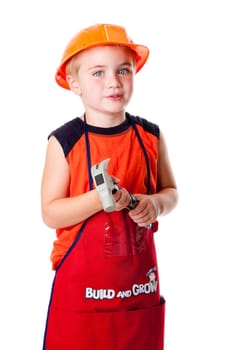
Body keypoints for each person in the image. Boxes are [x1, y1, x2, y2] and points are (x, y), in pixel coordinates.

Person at [41, 23, 178, 350]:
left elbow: (171, 192)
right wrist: (98, 199)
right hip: (82, 297)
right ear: (74, 83)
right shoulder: (65, 142)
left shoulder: (150, 137)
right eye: (98, 73)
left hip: (137, 293)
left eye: (123, 70)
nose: (114, 81)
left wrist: (155, 204)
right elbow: (50, 212)